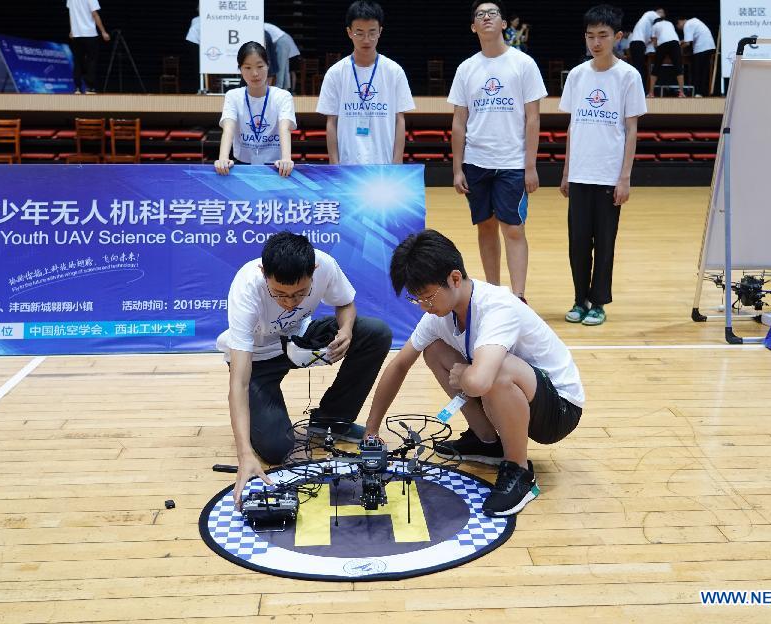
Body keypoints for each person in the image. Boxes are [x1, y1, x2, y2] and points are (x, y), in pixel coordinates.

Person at [364, 229, 584, 517]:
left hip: (558, 410)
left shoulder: (496, 306)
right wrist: (371, 429)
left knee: (497, 370)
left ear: (455, 278)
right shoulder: (439, 314)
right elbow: (399, 365)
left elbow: (479, 382)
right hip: (517, 397)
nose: (424, 307)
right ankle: (487, 441)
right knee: (434, 350)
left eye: (428, 297)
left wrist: (465, 375)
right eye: (416, 299)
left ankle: (519, 471)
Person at [218, 231, 393, 506]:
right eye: (279, 294)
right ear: (264, 273)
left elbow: (345, 303)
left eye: (300, 293)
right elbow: (238, 383)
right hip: (258, 356)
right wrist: (244, 455)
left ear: (314, 270)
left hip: (300, 339)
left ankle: (332, 421)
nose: (290, 302)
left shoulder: (326, 265)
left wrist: (346, 330)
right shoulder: (246, 288)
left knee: (375, 332)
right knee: (277, 449)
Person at [449, 1, 547, 304]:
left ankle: (518, 297)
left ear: (504, 23)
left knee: (513, 228)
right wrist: (457, 168)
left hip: (512, 163)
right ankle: (493, 293)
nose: (486, 17)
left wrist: (530, 166)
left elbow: (533, 118)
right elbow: (459, 122)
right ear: (473, 27)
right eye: (480, 15)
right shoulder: (466, 68)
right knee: (486, 227)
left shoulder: (523, 64)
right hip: (476, 162)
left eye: (492, 13)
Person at [559, 4, 647, 326]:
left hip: (609, 174)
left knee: (605, 243)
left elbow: (631, 130)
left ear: (617, 37)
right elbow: (572, 126)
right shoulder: (577, 75)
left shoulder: (628, 76)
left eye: (603, 35)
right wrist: (566, 172)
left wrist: (625, 178)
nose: (596, 42)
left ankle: (598, 302)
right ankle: (579, 298)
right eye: (591, 36)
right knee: (578, 243)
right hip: (580, 173)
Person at [316, 1, 415, 165]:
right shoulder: (335, 74)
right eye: (359, 33)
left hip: (384, 166)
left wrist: (396, 165)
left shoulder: (394, 72)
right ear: (349, 32)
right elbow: (331, 122)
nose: (366, 40)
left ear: (380, 31)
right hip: (347, 166)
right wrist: (335, 166)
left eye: (372, 33)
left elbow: (400, 120)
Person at [215, 42, 296, 177]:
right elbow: (228, 127)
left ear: (268, 66)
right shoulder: (233, 96)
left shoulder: (283, 96)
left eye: (260, 66)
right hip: (242, 166)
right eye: (247, 67)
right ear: (240, 69)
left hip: (276, 167)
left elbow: (285, 128)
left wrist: (286, 159)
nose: (255, 73)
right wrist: (223, 158)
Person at [66, 0, 110, 94]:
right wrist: (103, 31)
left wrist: (72, 30)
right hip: (90, 34)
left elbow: (71, 14)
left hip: (77, 34)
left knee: (78, 61)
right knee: (91, 60)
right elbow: (95, 14)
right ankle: (89, 87)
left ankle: (77, 88)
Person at [627, 8, 663, 94]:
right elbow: (649, 37)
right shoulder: (649, 16)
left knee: (640, 68)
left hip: (637, 43)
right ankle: (639, 90)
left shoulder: (645, 21)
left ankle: (639, 90)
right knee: (639, 68)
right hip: (638, 43)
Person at [677, 17, 716, 97]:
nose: (680, 28)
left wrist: (677, 48)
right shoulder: (694, 21)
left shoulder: (687, 25)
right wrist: (681, 41)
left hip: (701, 48)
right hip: (709, 46)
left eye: (678, 26)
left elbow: (687, 43)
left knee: (698, 71)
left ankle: (698, 92)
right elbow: (690, 38)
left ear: (680, 22)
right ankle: (704, 92)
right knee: (704, 71)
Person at [648, 17, 686, 97]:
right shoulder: (669, 23)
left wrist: (657, 51)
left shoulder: (655, 26)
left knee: (656, 68)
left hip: (663, 44)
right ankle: (682, 93)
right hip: (675, 43)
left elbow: (654, 43)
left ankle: (651, 93)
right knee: (678, 68)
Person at [264, 22, 301, 91]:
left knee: (281, 66)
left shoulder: (262, 27)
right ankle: (286, 88)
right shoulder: (264, 26)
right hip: (284, 39)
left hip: (282, 41)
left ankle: (279, 87)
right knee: (285, 67)